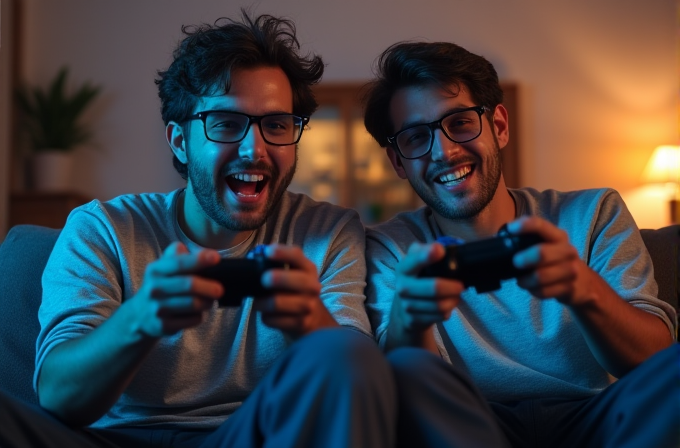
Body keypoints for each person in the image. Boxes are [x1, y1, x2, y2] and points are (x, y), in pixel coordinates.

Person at [0, 11, 396, 448]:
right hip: (114, 439)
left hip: (254, 434)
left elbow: (359, 382)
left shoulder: (329, 231)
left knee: (347, 352)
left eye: (277, 125)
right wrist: (140, 320)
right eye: (226, 124)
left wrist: (313, 325)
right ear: (179, 141)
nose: (255, 149)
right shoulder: (102, 228)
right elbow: (58, 396)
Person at [362, 41, 679, 448]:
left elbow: (655, 360)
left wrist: (585, 291)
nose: (444, 151)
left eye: (459, 123)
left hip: (600, 418)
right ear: (398, 162)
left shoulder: (594, 212)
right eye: (416, 137)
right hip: (471, 424)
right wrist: (411, 320)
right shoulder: (390, 247)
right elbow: (413, 391)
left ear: (499, 126)